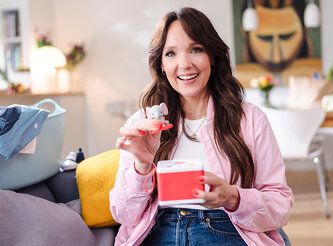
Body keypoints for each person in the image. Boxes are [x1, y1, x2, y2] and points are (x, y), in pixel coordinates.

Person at [110, 7, 293, 246]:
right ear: (161, 65)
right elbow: (123, 215)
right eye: (171, 53)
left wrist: (233, 197)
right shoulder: (142, 124)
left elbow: (280, 206)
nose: (184, 64)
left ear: (213, 57)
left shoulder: (250, 119)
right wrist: (142, 166)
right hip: (160, 231)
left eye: (196, 49)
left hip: (228, 230)